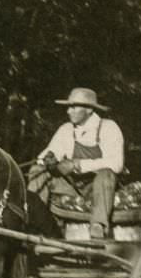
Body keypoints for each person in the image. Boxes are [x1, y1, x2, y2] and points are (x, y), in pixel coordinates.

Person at [28, 87, 124, 239]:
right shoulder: (66, 129)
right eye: (68, 107)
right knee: (37, 171)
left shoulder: (108, 128)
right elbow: (46, 155)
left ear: (89, 110)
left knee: (106, 174)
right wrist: (49, 161)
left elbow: (117, 164)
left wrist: (77, 164)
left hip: (99, 189)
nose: (68, 111)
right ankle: (32, 222)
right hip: (72, 187)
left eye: (73, 107)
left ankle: (98, 226)